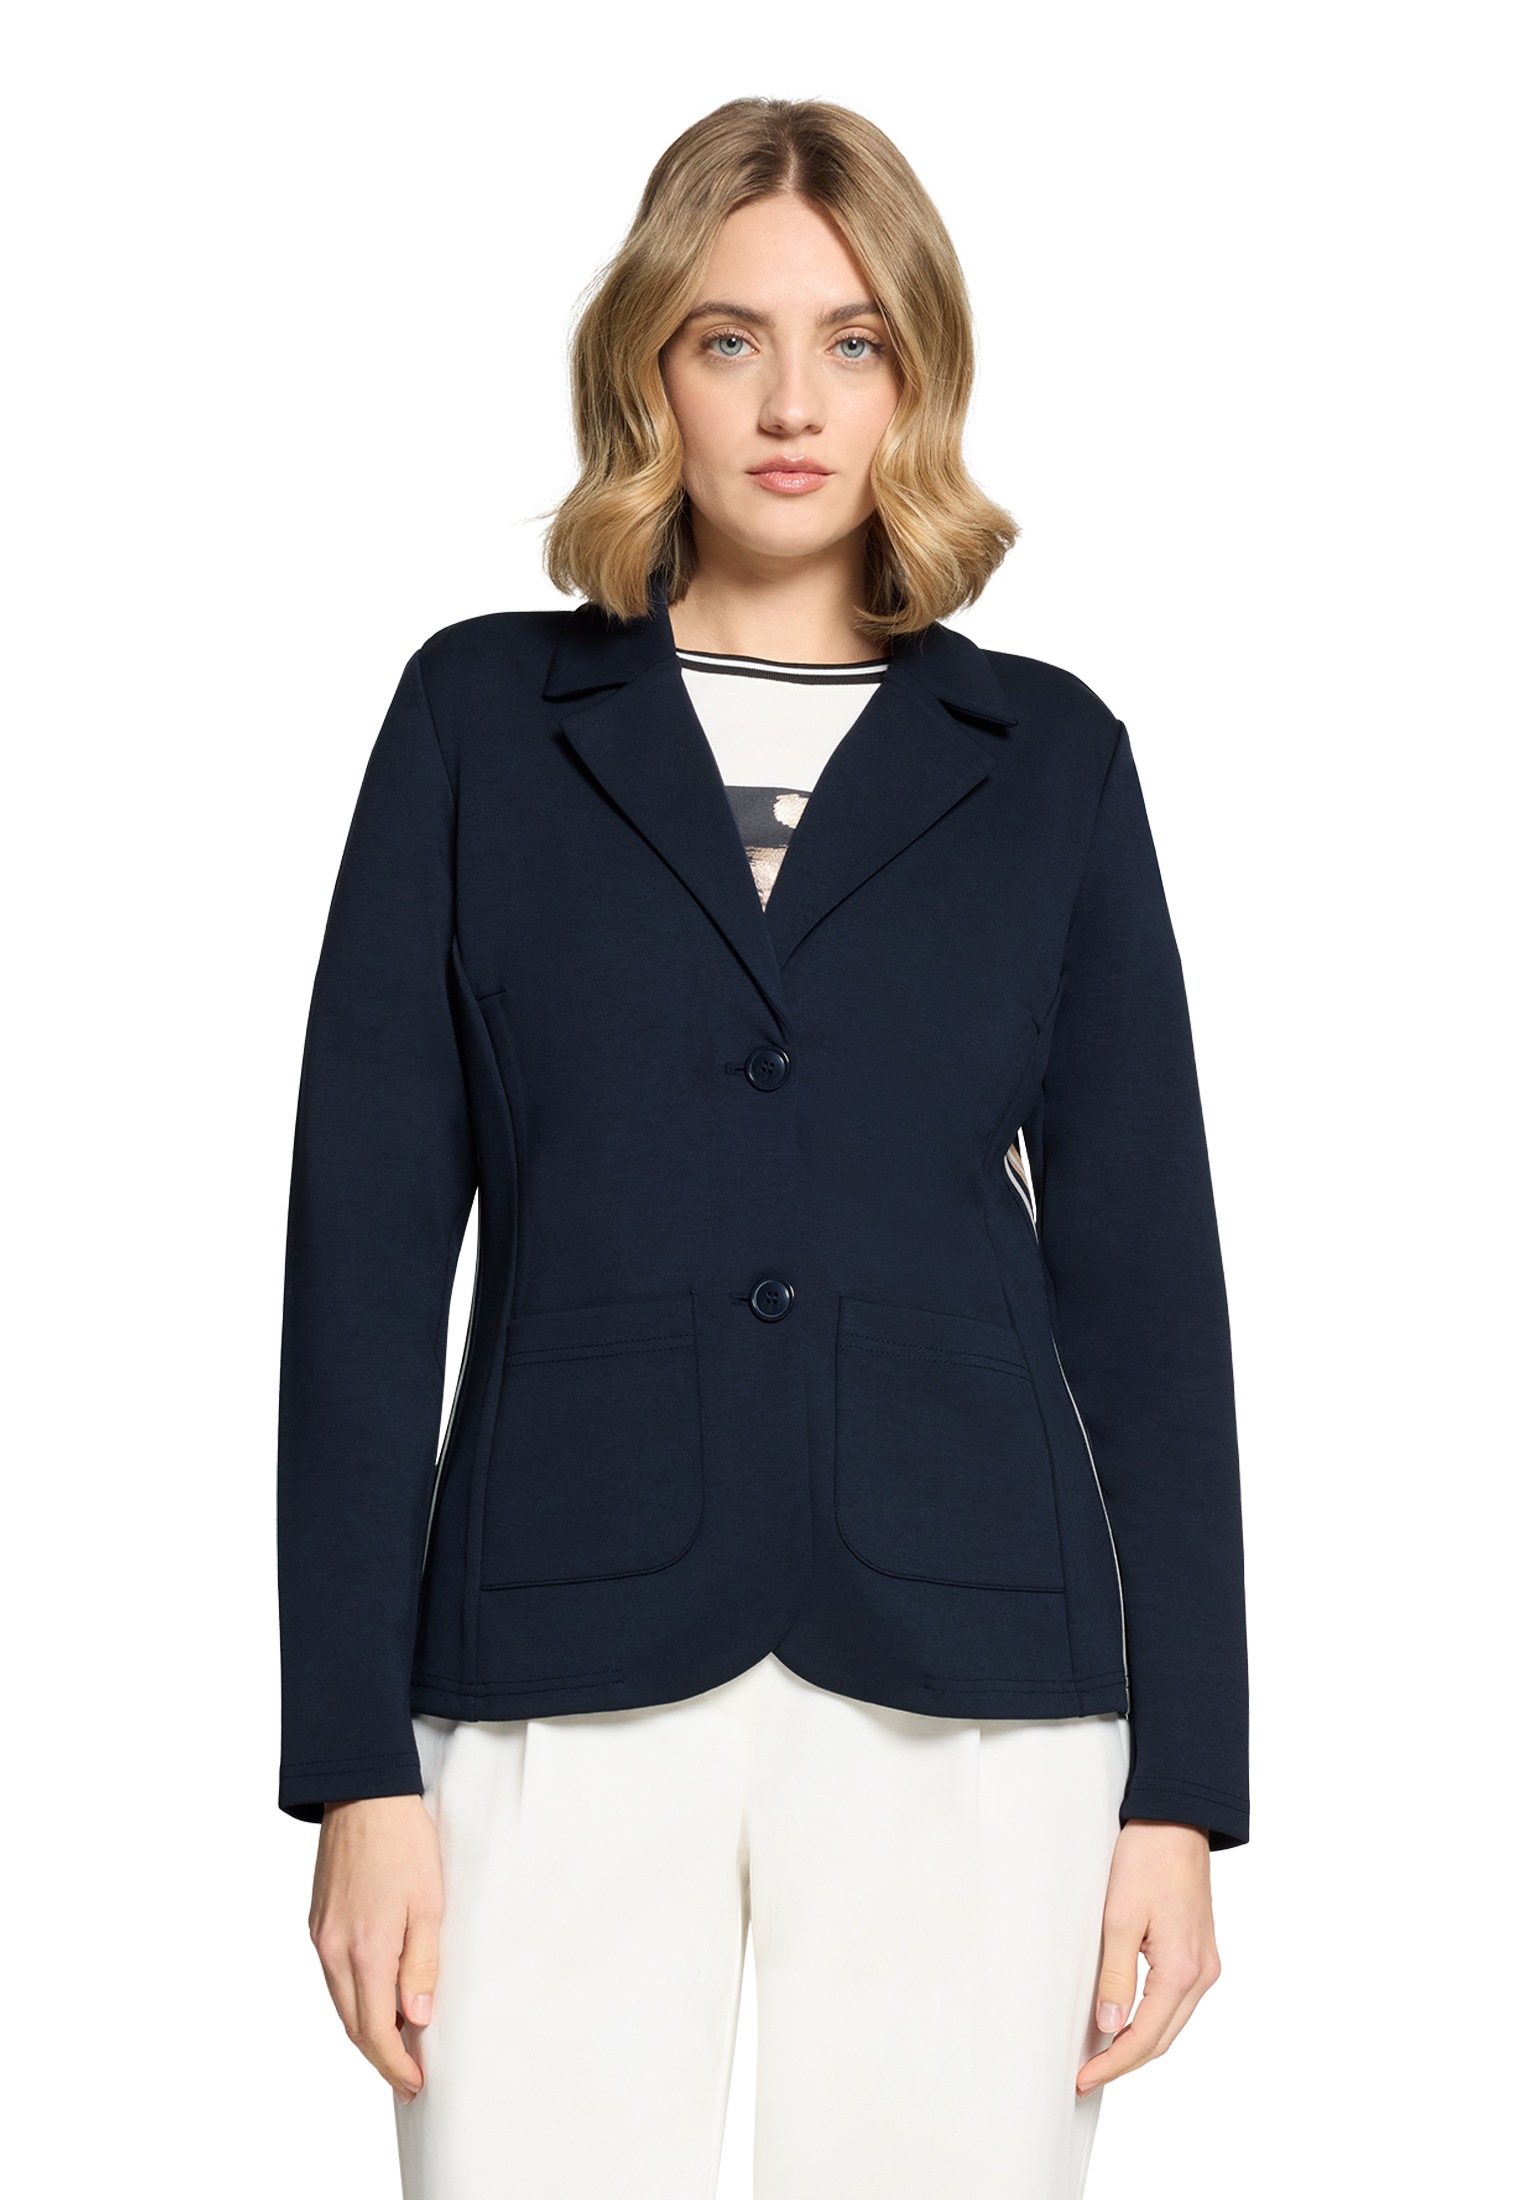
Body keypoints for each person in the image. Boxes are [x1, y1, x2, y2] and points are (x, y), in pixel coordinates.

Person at [278, 95, 1250, 2200]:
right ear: (649, 365)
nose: (792, 401)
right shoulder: (479, 723)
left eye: (853, 340)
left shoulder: (1048, 758)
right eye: (730, 338)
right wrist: (353, 1760)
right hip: (550, 1645)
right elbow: (361, 1261)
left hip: (975, 1667)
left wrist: (1184, 1785)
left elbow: (1147, 1292)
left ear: (919, 378)